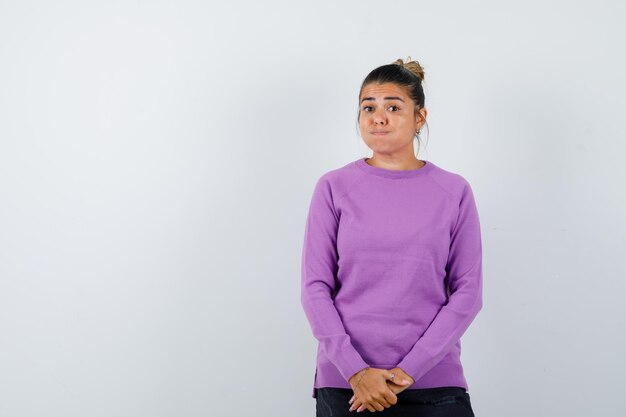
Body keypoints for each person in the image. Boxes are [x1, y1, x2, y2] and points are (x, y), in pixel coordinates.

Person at [300, 57, 483, 416]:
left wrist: (407, 372)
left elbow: (468, 292)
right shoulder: (333, 188)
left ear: (420, 118)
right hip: (348, 387)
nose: (377, 117)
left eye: (393, 107)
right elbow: (315, 287)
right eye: (368, 107)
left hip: (434, 385)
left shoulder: (453, 191)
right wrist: (356, 371)